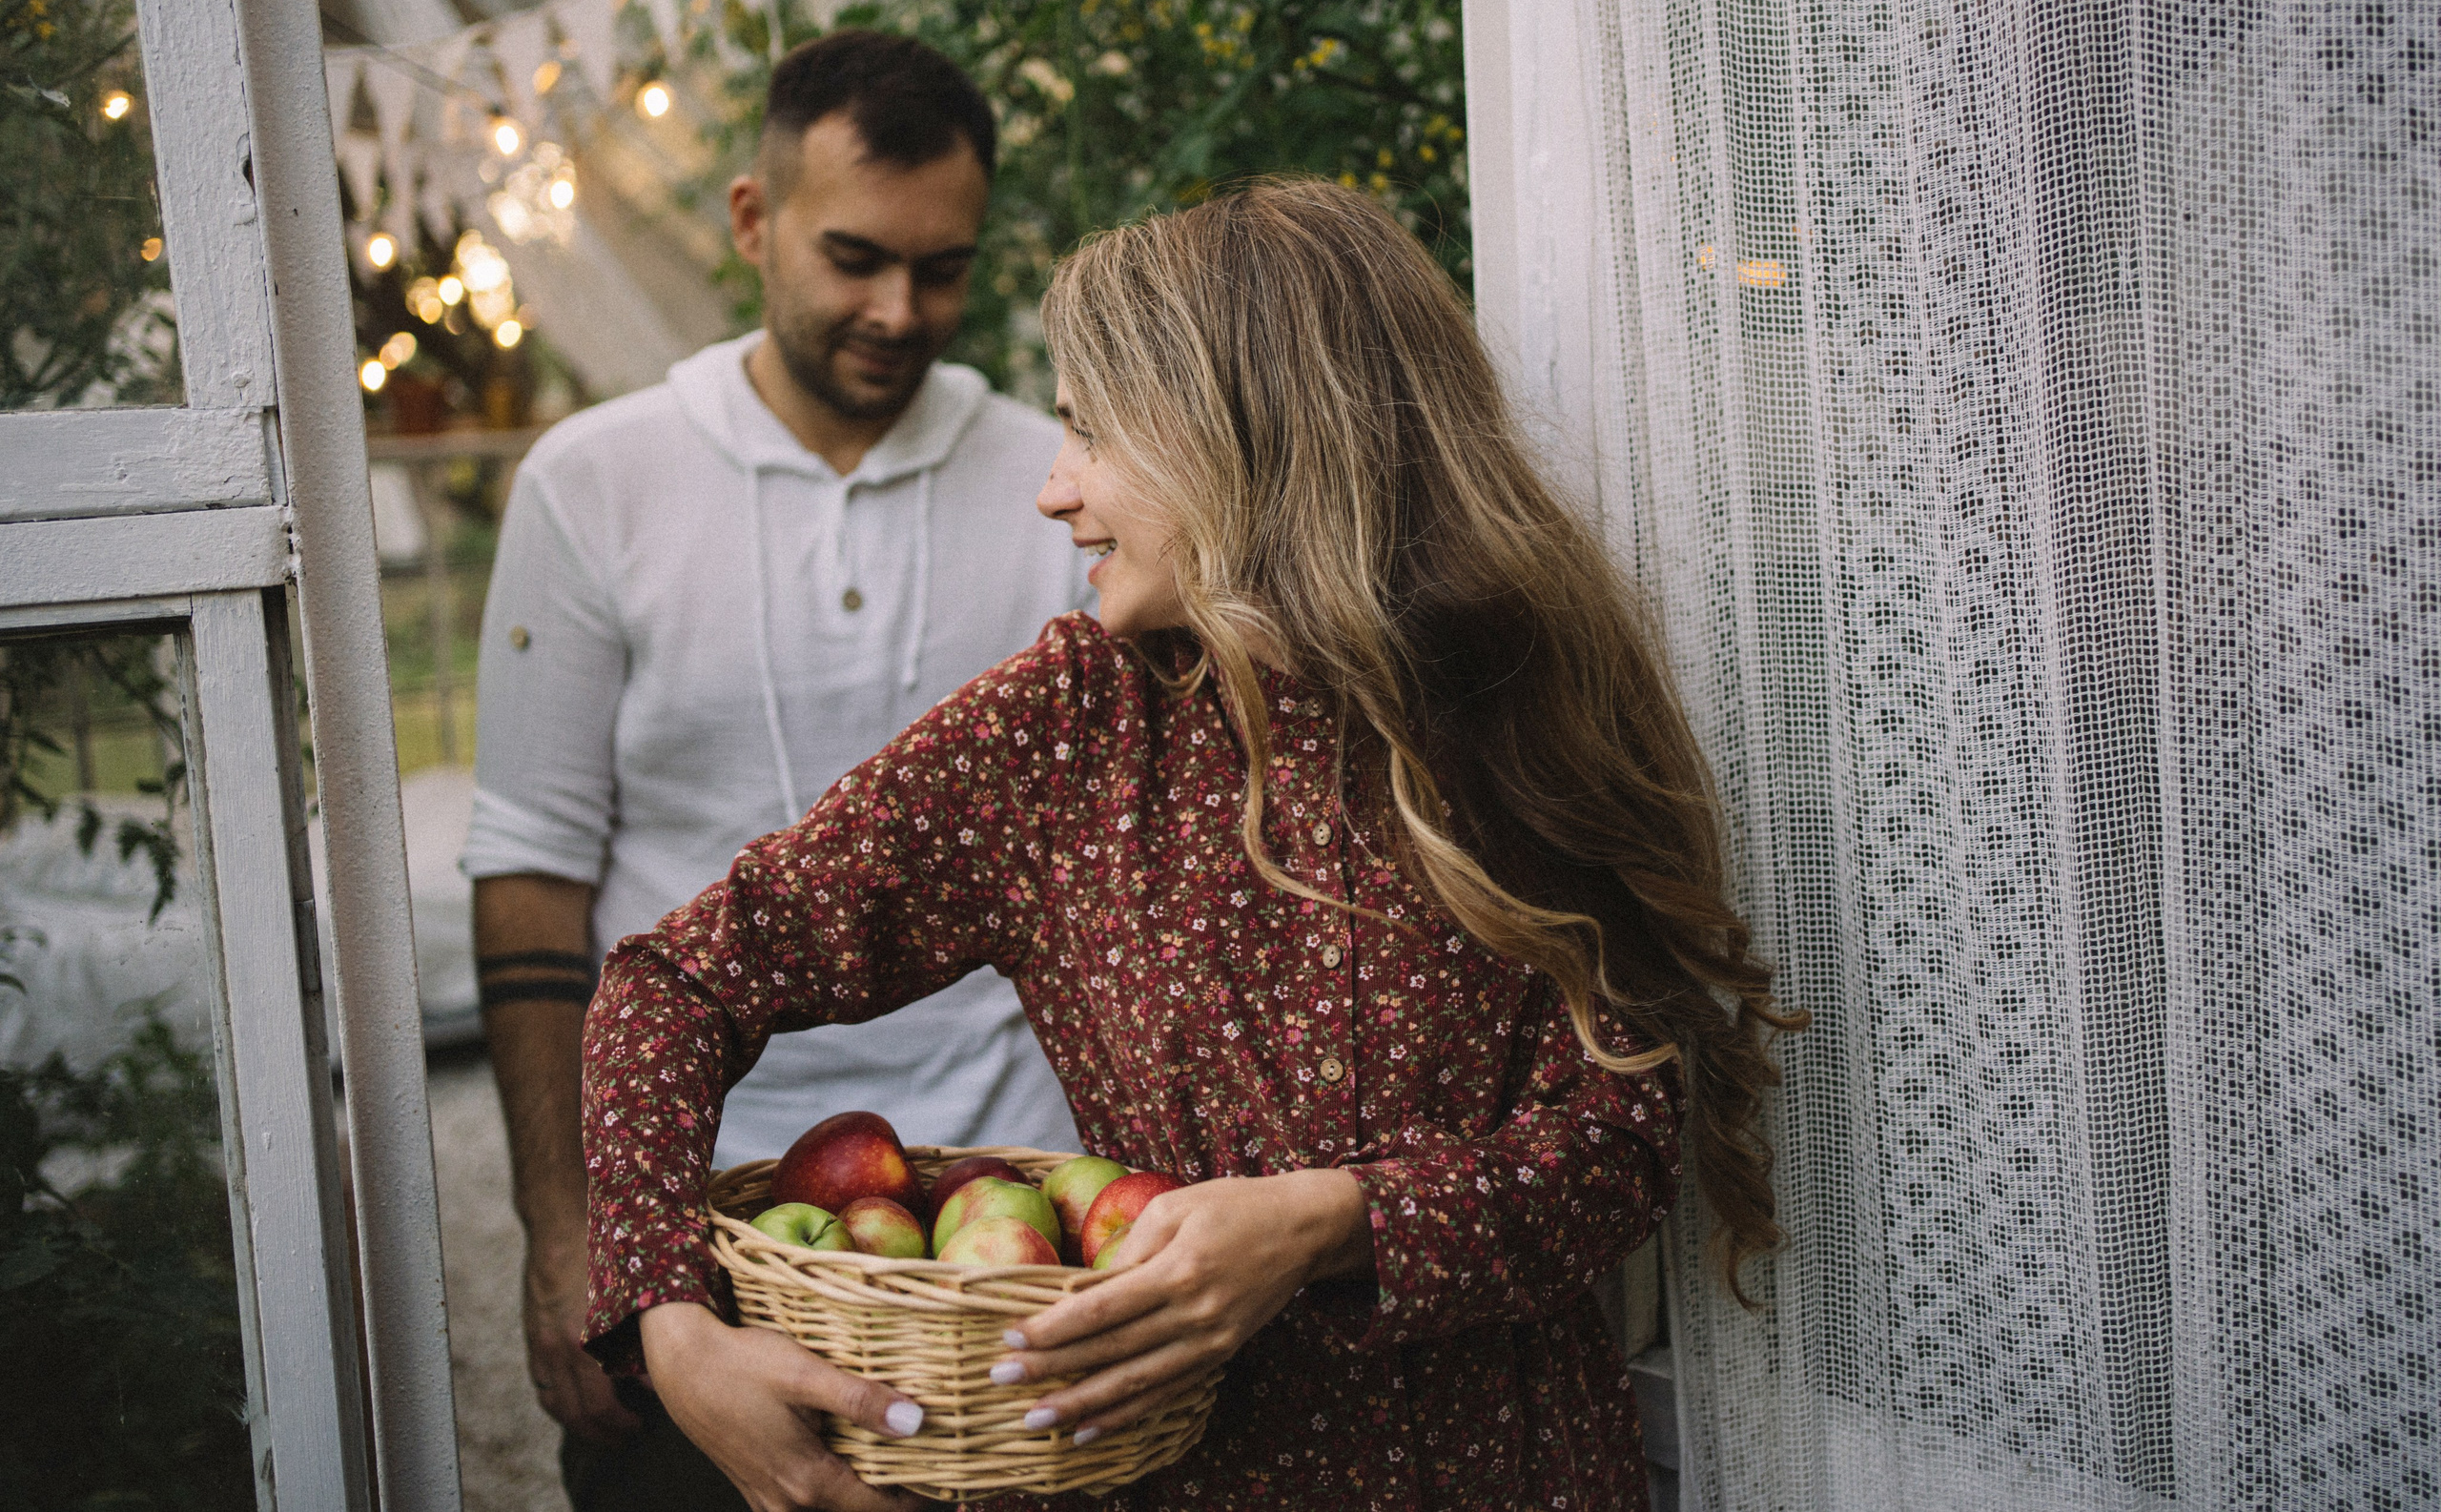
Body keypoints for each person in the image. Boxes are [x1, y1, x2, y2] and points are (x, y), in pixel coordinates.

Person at [577, 178, 1802, 1511]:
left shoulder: (1516, 693)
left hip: (1520, 1473)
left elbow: (1624, 1135)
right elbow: (673, 984)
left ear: (1240, 437)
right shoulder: (1069, 730)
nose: (1053, 493)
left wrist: (1334, 1224)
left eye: (1091, 434)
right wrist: (671, 1324)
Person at [460, 31, 1090, 1506]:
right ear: (752, 220)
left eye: (944, 269)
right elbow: (533, 877)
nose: (898, 309)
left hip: (1000, 1221)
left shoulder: (1053, 479)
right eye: (854, 256)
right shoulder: (595, 480)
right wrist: (572, 1235)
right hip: (682, 1216)